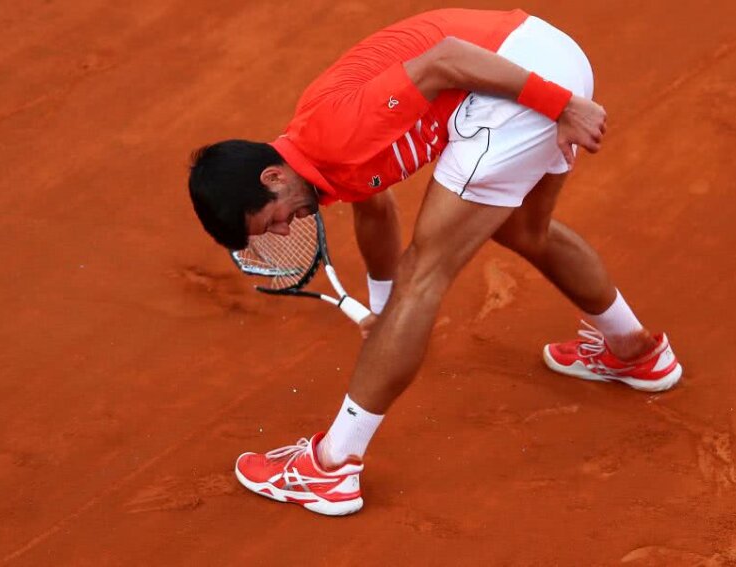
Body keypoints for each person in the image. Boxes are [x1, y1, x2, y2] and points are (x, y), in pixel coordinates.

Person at [188, 8, 682, 516]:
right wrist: (382, 305)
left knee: (424, 273)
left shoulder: (337, 129)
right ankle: (634, 351)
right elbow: (374, 206)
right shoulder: (318, 159)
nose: (287, 229)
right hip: (547, 58)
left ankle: (331, 467)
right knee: (523, 229)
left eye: (271, 220)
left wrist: (561, 106)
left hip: (521, 83)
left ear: (271, 178)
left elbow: (444, 61)